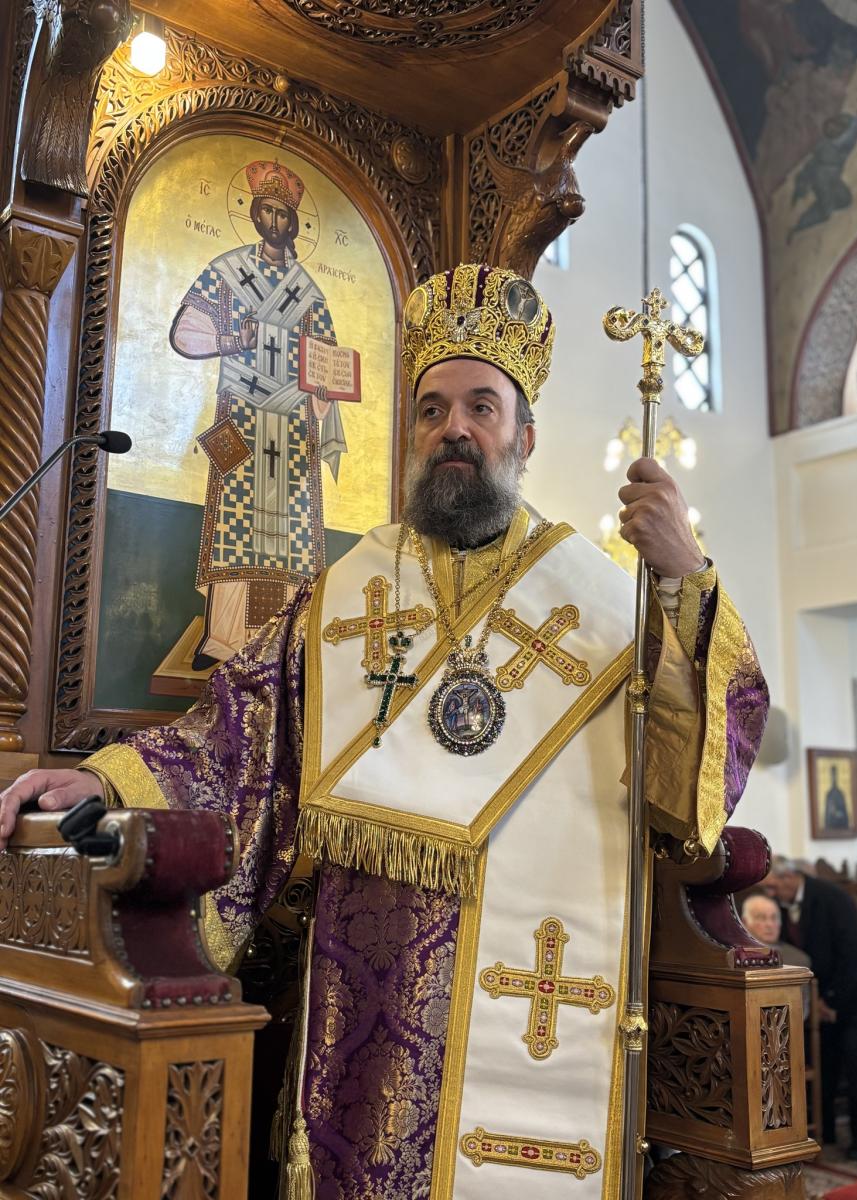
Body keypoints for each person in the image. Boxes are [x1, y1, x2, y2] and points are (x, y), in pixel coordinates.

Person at [0, 263, 770, 1199]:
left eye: (482, 408)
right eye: (432, 410)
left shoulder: (608, 606)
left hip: (539, 984)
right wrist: (106, 780)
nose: (455, 428)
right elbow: (237, 735)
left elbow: (692, 788)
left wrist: (685, 578)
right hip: (357, 1009)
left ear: (524, 437)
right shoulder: (346, 591)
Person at [170, 158, 347, 666]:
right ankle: (223, 639)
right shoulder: (226, 272)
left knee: (293, 535)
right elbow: (185, 333)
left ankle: (285, 644)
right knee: (235, 526)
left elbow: (328, 362)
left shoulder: (308, 293)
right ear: (253, 214)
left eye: (282, 214)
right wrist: (232, 339)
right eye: (265, 211)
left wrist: (325, 390)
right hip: (242, 417)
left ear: (294, 224)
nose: (273, 221)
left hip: (293, 427)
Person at [764, 857, 857, 1161]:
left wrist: (832, 1001)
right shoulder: (784, 903)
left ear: (790, 877)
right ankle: (825, 1132)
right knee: (824, 1064)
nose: (771, 893)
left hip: (855, 995)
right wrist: (817, 1002)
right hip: (820, 999)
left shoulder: (832, 898)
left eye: (774, 886)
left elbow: (853, 956)